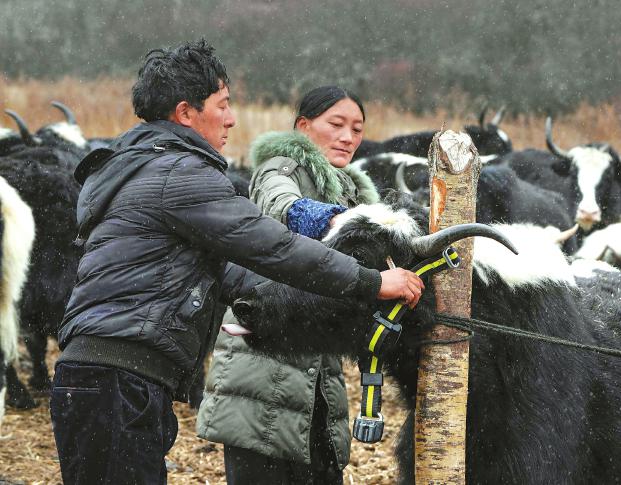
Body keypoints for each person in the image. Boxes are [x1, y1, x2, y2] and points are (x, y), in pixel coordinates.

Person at [49, 40, 424, 485]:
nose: (231, 118)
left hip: (113, 378)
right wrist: (370, 282)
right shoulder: (181, 174)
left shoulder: (148, 167)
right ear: (186, 113)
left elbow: (235, 272)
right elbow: (273, 246)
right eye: (222, 105)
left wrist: (285, 304)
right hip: (117, 380)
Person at [197, 86, 378, 484]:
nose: (348, 137)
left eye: (357, 129)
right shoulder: (280, 168)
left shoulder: (352, 194)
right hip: (259, 357)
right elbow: (284, 205)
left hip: (318, 372)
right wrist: (349, 227)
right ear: (303, 126)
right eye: (337, 124)